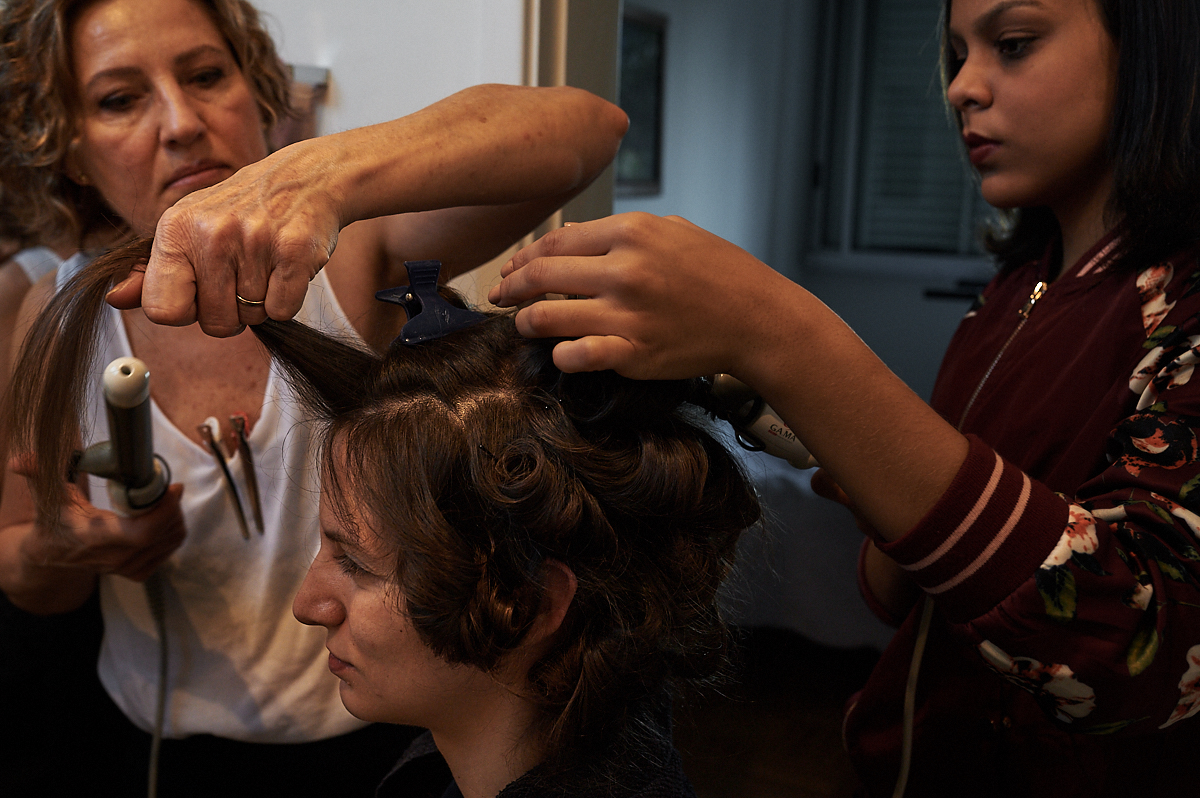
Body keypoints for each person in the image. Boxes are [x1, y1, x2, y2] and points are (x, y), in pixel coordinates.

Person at [486, 0, 1200, 795]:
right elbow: (926, 544)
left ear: (1152, 45)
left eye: (1014, 44)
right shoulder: (1017, 290)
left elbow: (1142, 651)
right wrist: (747, 392)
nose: (963, 86)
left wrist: (780, 330)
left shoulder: (1183, 307)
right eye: (957, 53)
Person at [0, 0, 626, 794]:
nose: (183, 122)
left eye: (205, 75)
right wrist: (65, 553)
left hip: (374, 743)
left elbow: (587, 129)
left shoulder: (348, 253)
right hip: (162, 754)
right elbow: (22, 564)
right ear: (74, 149)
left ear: (257, 91)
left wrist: (318, 176)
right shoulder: (51, 319)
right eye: (121, 99)